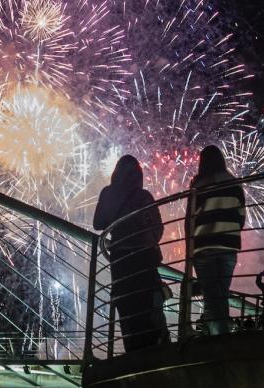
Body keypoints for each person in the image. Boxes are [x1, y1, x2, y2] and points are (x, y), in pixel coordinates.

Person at [93, 155, 169, 351]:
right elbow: (157, 229)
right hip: (144, 260)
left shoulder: (108, 193)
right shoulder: (144, 196)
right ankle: (156, 351)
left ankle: (133, 352)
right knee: (149, 308)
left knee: (127, 309)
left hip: (120, 261)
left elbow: (98, 223)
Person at [187, 145, 246, 335]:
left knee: (212, 299)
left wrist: (189, 248)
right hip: (229, 247)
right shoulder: (235, 183)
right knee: (219, 296)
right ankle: (219, 337)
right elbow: (241, 217)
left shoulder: (198, 184)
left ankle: (219, 343)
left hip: (204, 247)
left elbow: (190, 219)